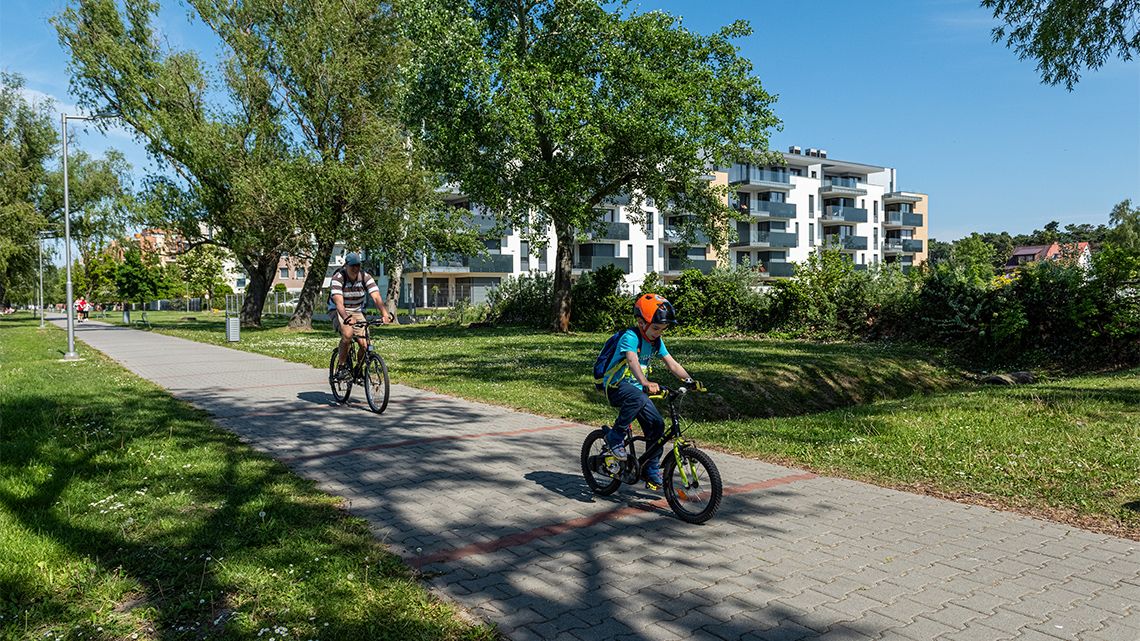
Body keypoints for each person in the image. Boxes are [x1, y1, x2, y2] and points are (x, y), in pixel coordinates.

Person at [598, 293, 698, 491]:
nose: (659, 332)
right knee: (637, 397)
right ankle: (615, 437)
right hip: (616, 386)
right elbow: (632, 360)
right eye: (655, 328)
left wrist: (689, 381)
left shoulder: (656, 342)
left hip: (637, 390)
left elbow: (671, 363)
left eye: (663, 329)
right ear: (640, 322)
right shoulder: (630, 336)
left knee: (657, 426)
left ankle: (651, 469)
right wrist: (644, 381)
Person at [327, 252, 392, 378]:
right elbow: (339, 303)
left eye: (358, 265)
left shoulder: (365, 277)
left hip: (357, 310)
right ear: (346, 266)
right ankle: (341, 367)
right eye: (352, 266)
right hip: (338, 310)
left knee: (365, 344)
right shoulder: (338, 278)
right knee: (348, 334)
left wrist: (385, 314)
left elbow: (376, 297)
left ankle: (358, 369)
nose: (355, 269)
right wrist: (346, 318)